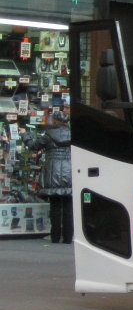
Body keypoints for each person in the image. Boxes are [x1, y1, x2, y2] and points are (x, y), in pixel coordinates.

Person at [41, 100, 73, 244]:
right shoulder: (72, 134)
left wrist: (25, 135)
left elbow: (34, 145)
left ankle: (55, 235)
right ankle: (68, 236)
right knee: (67, 205)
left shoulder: (48, 134)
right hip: (68, 170)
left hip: (52, 170)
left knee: (55, 205)